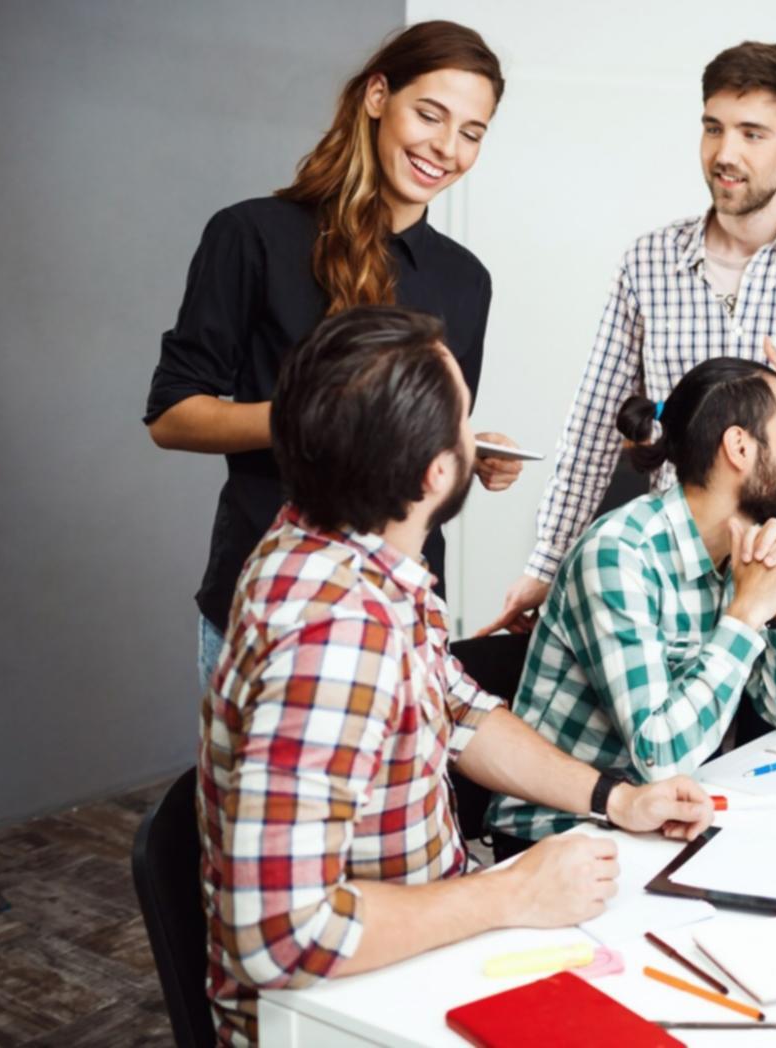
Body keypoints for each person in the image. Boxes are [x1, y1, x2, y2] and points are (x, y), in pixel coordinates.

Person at [199, 305, 712, 1046]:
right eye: (465, 422)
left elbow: (458, 711)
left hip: (415, 959)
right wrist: (509, 893)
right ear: (436, 473)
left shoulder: (342, 548)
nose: (477, 438)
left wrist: (617, 798)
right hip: (340, 1017)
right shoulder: (338, 632)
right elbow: (280, 933)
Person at [479, 41, 776, 685]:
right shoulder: (647, 261)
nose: (725, 153)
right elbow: (595, 424)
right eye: (713, 128)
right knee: (667, 744)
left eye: (752, 133)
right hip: (668, 583)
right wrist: (546, 564)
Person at [144, 21, 522, 690]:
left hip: (403, 606)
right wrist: (325, 415)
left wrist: (467, 448)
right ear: (377, 97)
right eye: (429, 114)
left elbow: (419, 439)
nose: (447, 148)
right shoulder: (250, 235)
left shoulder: (467, 281)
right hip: (267, 599)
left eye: (472, 132)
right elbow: (172, 416)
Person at [486, 358, 776, 851]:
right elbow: (660, 757)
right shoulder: (620, 556)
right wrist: (746, 615)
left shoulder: (743, 552)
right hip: (561, 834)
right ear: (740, 447)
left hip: (658, 822)